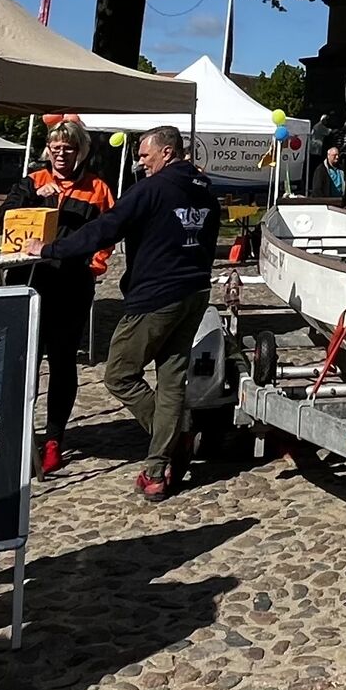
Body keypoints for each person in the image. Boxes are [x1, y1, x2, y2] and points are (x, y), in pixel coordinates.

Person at [40, 126, 219, 501]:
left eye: (144, 155)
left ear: (167, 152)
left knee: (120, 374)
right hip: (195, 291)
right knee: (171, 379)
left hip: (157, 295)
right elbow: (209, 238)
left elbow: (106, 229)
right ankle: (156, 471)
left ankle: (174, 437)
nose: (140, 162)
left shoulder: (151, 190)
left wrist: (51, 249)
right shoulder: (205, 189)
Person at [4, 120, 117, 476]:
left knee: (63, 362)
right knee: (26, 362)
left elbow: (109, 231)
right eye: (55, 147)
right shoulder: (32, 181)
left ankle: (54, 439)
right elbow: (5, 218)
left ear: (80, 150)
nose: (61, 153)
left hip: (70, 286)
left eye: (68, 148)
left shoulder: (97, 187)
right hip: (30, 281)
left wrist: (94, 266)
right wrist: (33, 199)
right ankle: (22, 435)